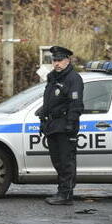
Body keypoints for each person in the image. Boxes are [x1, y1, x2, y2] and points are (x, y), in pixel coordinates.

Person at [39, 46, 84, 205]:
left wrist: (71, 124)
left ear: (67, 60)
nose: (56, 63)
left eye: (59, 60)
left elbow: (76, 104)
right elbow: (49, 101)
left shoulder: (73, 78)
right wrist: (43, 118)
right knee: (57, 160)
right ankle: (62, 191)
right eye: (54, 60)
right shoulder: (54, 78)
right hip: (53, 125)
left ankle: (66, 194)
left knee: (66, 161)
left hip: (65, 125)